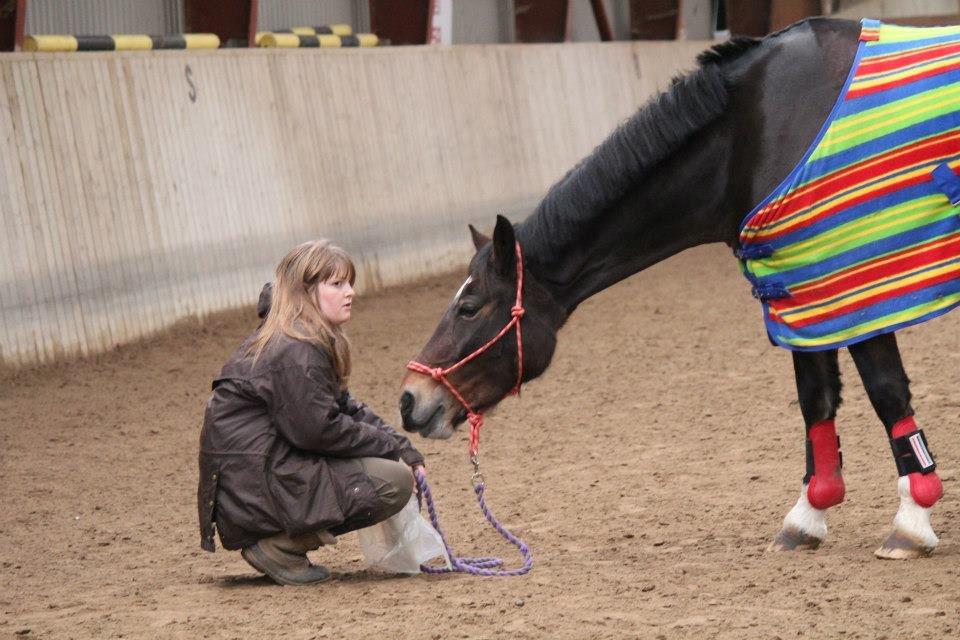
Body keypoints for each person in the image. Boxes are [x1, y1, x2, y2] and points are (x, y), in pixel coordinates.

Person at [197, 240, 425, 585]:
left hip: (252, 481)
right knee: (393, 482)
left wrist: (401, 446)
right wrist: (391, 449)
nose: (350, 292)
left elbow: (343, 407)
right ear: (306, 292)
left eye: (349, 283)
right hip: (254, 486)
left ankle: (281, 542)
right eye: (337, 284)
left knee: (391, 468)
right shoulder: (296, 349)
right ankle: (280, 546)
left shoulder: (296, 337)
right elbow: (318, 430)